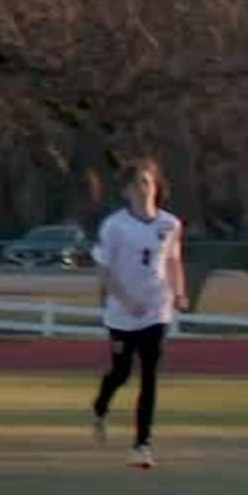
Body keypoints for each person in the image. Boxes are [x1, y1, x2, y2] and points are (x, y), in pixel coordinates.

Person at [91, 157, 189, 470]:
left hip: (156, 309)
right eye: (136, 185)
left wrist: (179, 292)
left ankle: (142, 445)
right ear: (125, 191)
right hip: (122, 312)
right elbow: (104, 271)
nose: (142, 190)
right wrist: (125, 299)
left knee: (149, 376)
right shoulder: (115, 226)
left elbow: (173, 261)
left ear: (156, 186)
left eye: (147, 183)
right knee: (120, 372)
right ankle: (100, 406)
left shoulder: (170, 224)